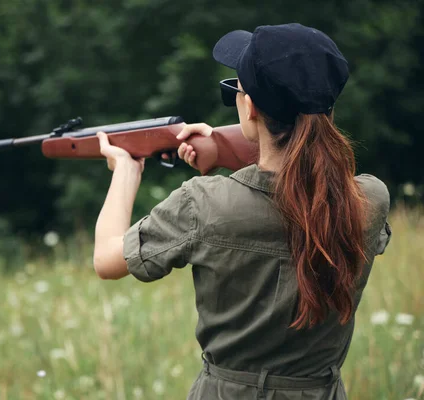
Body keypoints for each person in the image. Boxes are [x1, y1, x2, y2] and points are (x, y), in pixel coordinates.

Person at [92, 23, 391, 400]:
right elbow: (301, 172)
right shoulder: (370, 200)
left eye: (234, 88)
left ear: (249, 107)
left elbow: (106, 259)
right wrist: (220, 145)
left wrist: (126, 171)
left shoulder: (202, 205)